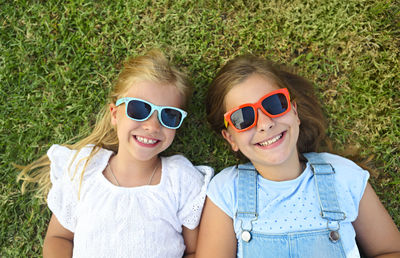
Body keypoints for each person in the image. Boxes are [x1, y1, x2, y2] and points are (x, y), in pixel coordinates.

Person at [196, 54, 400, 258]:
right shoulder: (227, 190)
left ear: (294, 111)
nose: (265, 123)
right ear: (230, 138)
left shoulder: (343, 175)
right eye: (243, 118)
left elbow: (391, 250)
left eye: (274, 104)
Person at [18, 50, 213, 258]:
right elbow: (59, 237)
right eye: (139, 110)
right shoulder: (86, 168)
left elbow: (193, 251)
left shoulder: (180, 179)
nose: (152, 126)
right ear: (114, 114)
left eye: (169, 115)